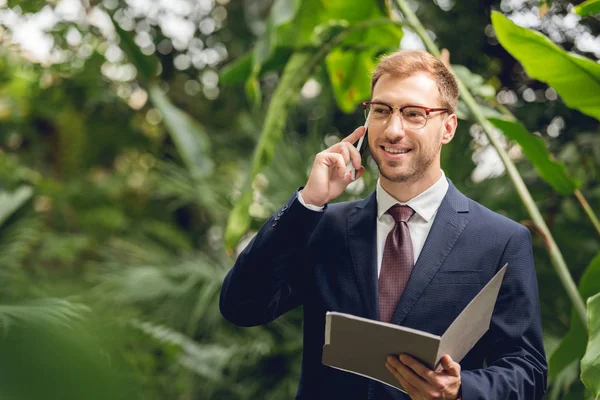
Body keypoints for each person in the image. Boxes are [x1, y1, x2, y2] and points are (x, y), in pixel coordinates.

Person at [220, 49, 547, 399]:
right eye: (381, 110)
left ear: (448, 127)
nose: (393, 129)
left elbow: (527, 370)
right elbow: (242, 306)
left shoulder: (500, 239)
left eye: (413, 114)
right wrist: (309, 203)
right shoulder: (322, 225)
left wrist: (460, 389)